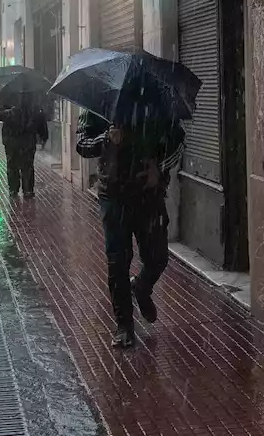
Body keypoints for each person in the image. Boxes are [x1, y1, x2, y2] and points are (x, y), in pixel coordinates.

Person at [76, 102, 184, 349]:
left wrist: (161, 167)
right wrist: (107, 139)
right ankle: (124, 325)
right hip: (113, 196)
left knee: (158, 258)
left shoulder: (158, 102)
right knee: (118, 262)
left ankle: (142, 287)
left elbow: (178, 141)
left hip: (149, 195)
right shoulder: (100, 102)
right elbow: (82, 144)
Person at [0, 92, 49, 197]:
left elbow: (40, 116)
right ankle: (13, 189)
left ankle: (28, 190)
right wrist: (11, 112)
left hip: (27, 139)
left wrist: (43, 134)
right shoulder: (8, 98)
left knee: (27, 165)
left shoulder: (33, 101)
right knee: (12, 165)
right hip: (11, 139)